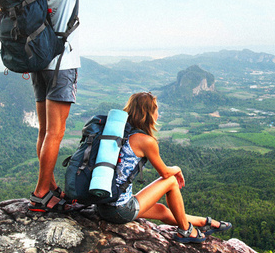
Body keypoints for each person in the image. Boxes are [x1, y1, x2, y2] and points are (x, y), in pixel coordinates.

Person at [0, 0, 128, 214]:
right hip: (61, 65)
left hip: (38, 63)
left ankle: (49, 183)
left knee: (44, 131)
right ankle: (42, 193)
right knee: (56, 132)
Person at [96, 91, 232, 243]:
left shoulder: (117, 133)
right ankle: (186, 231)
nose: (158, 114)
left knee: (161, 210)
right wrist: (178, 168)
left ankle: (204, 222)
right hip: (119, 210)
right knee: (172, 181)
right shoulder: (145, 141)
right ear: (148, 114)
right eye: (156, 110)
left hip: (102, 205)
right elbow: (165, 173)